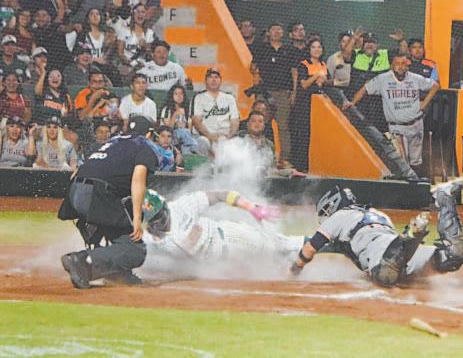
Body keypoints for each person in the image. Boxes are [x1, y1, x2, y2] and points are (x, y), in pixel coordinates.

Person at [289, 177, 463, 286]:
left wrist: (295, 269)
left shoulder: (338, 217)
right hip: (395, 248)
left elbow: (310, 248)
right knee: (452, 257)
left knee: (386, 276)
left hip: (384, 255)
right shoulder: (377, 214)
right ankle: (444, 198)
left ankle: (410, 236)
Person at [58, 115, 162, 289]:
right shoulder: (145, 145)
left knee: (119, 222)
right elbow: (138, 180)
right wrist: (137, 219)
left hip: (75, 191)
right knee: (135, 250)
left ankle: (117, 272)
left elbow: (85, 168)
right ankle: (83, 261)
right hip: (96, 195)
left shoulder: (114, 141)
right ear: (149, 134)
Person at [141, 188, 303, 266]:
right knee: (272, 267)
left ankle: (316, 243)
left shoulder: (182, 206)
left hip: (231, 238)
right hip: (218, 266)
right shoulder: (151, 240)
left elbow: (220, 195)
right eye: (152, 220)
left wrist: (251, 207)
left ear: (165, 207)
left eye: (158, 216)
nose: (157, 223)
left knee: (282, 245)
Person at [343, 52, 440, 170]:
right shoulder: (383, 79)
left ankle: (417, 180)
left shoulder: (415, 78)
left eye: (403, 63)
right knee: (402, 163)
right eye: (397, 63)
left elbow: (435, 86)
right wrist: (352, 103)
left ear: (407, 65)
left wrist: (424, 103)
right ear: (391, 65)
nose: (401, 66)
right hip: (397, 127)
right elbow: (365, 89)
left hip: (416, 124)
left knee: (416, 162)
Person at [251, 22, 297, 168]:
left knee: (283, 126)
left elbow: (294, 72)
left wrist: (294, 92)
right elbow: (253, 67)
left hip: (283, 93)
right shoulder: (261, 49)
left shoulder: (289, 50)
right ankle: (259, 156)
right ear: (268, 33)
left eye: (279, 29)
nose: (276, 32)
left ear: (283, 33)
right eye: (273, 29)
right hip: (265, 93)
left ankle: (284, 159)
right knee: (261, 124)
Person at [290, 38, 331, 173]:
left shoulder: (324, 64)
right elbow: (304, 85)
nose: (316, 50)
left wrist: (324, 81)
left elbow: (327, 83)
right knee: (303, 134)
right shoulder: (304, 64)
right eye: (313, 47)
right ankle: (300, 166)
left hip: (320, 106)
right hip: (304, 104)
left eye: (319, 47)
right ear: (309, 49)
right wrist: (316, 76)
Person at [190, 67, 239, 156]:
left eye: (216, 77)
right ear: (205, 81)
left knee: (234, 145)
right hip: (205, 136)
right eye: (210, 77)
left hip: (225, 137)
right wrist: (209, 136)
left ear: (220, 81)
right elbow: (197, 121)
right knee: (202, 142)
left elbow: (235, 121)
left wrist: (229, 136)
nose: (213, 80)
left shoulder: (229, 98)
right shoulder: (198, 97)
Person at [160, 84, 197, 154]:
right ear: (172, 96)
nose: (179, 96)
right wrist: (175, 114)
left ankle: (187, 155)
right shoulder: (167, 109)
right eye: (176, 94)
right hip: (170, 137)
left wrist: (185, 125)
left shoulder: (187, 109)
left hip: (184, 138)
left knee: (193, 140)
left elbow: (189, 131)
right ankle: (195, 148)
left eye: (181, 93)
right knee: (183, 132)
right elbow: (167, 130)